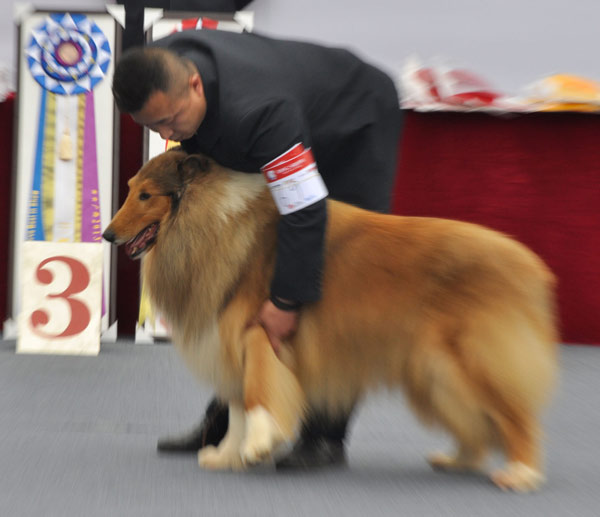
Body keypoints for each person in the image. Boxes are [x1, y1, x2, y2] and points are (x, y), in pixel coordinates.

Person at [112, 28, 403, 469]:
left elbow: (304, 210)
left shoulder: (263, 112)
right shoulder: (160, 62)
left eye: (171, 120)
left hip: (355, 121)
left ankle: (325, 434)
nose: (168, 134)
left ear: (193, 84)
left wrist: (286, 299)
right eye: (154, 127)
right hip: (273, 112)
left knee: (334, 270)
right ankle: (232, 417)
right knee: (243, 285)